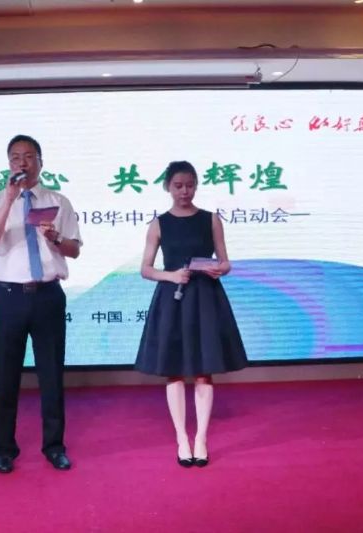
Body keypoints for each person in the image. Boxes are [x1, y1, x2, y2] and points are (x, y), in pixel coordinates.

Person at [0, 134, 82, 474]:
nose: (21, 162)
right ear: (8, 164)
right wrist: (10, 200)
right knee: (6, 376)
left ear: (40, 162)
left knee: (51, 375)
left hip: (48, 296)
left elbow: (74, 249)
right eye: (15, 157)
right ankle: (4, 449)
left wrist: (55, 237)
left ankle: (54, 446)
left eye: (28, 156)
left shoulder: (57, 201)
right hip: (8, 297)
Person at [134, 160, 248, 468]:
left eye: (189, 185)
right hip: (173, 298)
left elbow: (225, 262)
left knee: (203, 370)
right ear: (168, 187)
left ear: (196, 185)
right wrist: (171, 275)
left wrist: (218, 269)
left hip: (205, 298)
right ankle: (181, 439)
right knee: (174, 369)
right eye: (178, 186)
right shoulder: (159, 223)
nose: (184, 191)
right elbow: (146, 269)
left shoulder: (211, 219)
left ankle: (201, 439)